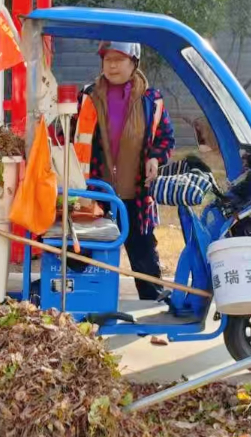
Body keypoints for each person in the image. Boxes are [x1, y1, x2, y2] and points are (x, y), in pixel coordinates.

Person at [73, 41, 175, 300]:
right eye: (107, 60)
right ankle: (86, 308)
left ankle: (152, 307)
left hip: (136, 196)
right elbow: (69, 134)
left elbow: (165, 138)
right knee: (87, 259)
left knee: (144, 258)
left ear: (134, 63)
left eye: (119, 59)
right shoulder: (88, 96)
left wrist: (155, 158)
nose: (112, 66)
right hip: (96, 195)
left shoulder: (151, 101)